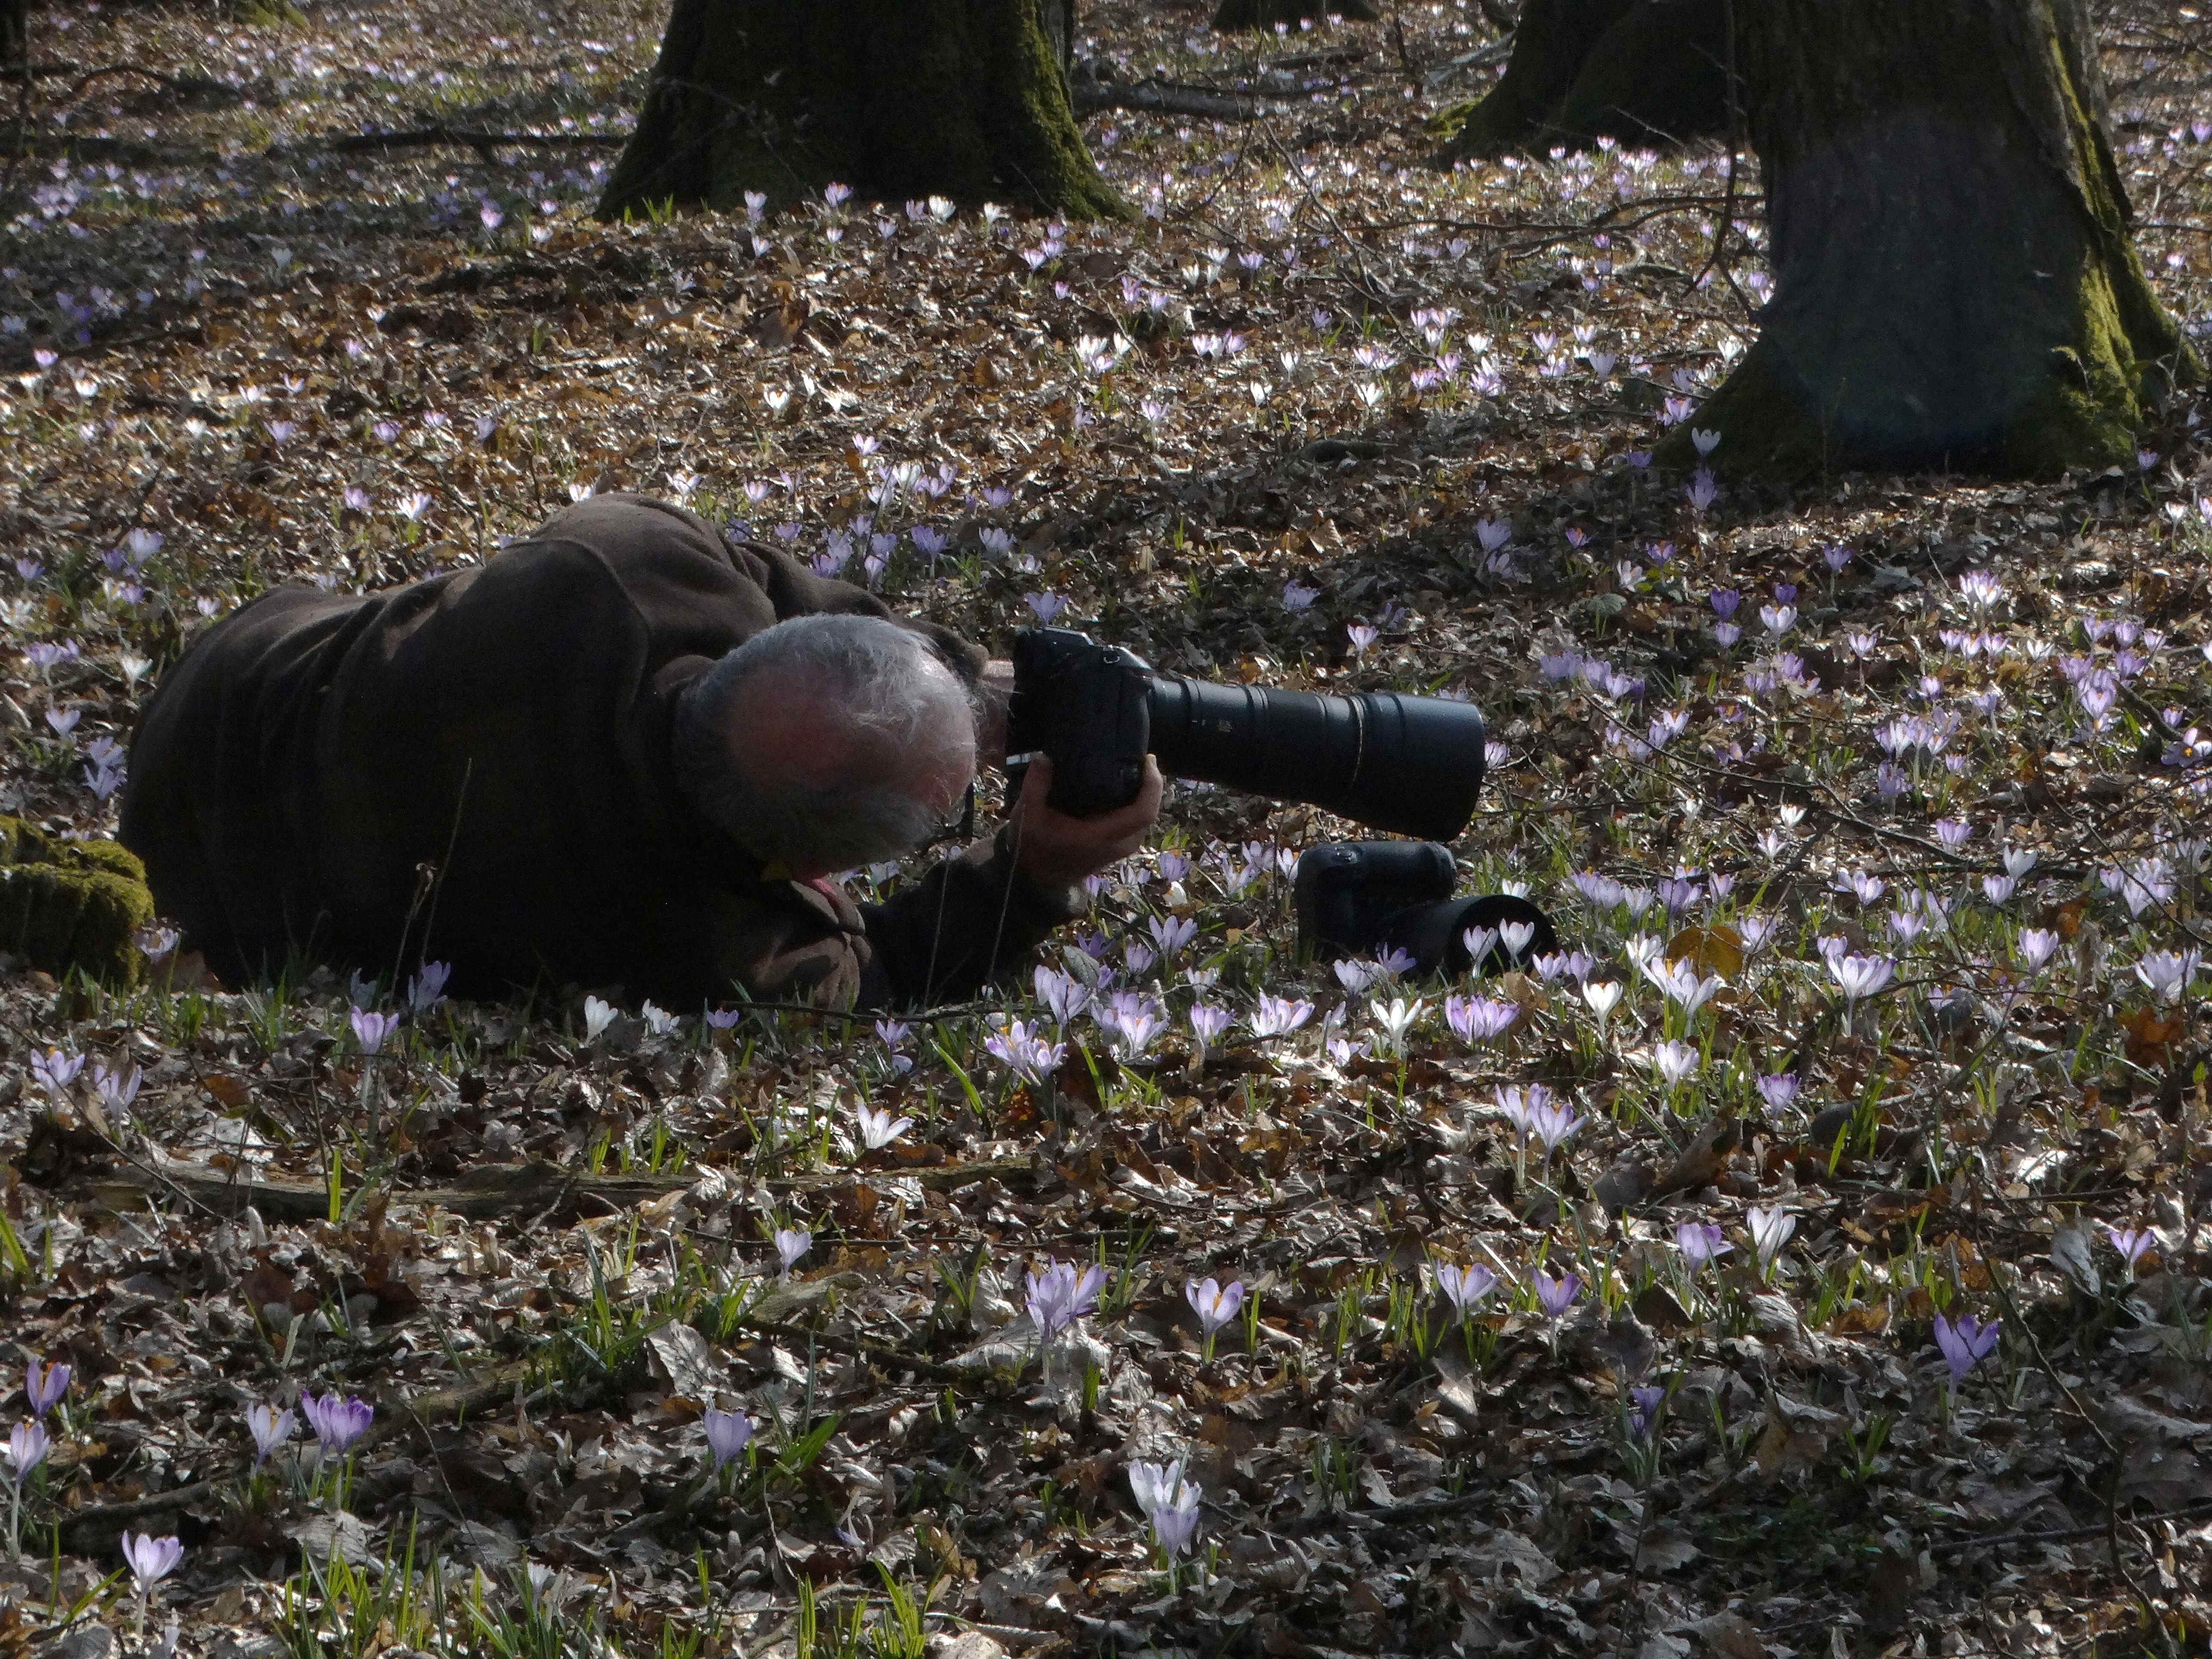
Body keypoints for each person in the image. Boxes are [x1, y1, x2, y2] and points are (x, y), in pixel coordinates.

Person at [119, 493, 1162, 1009]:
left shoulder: (629, 559)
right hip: (196, 861)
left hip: (222, 695)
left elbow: (796, 603)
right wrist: (1029, 876)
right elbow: (885, 973)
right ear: (804, 870)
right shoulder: (699, 952)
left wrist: (960, 689)